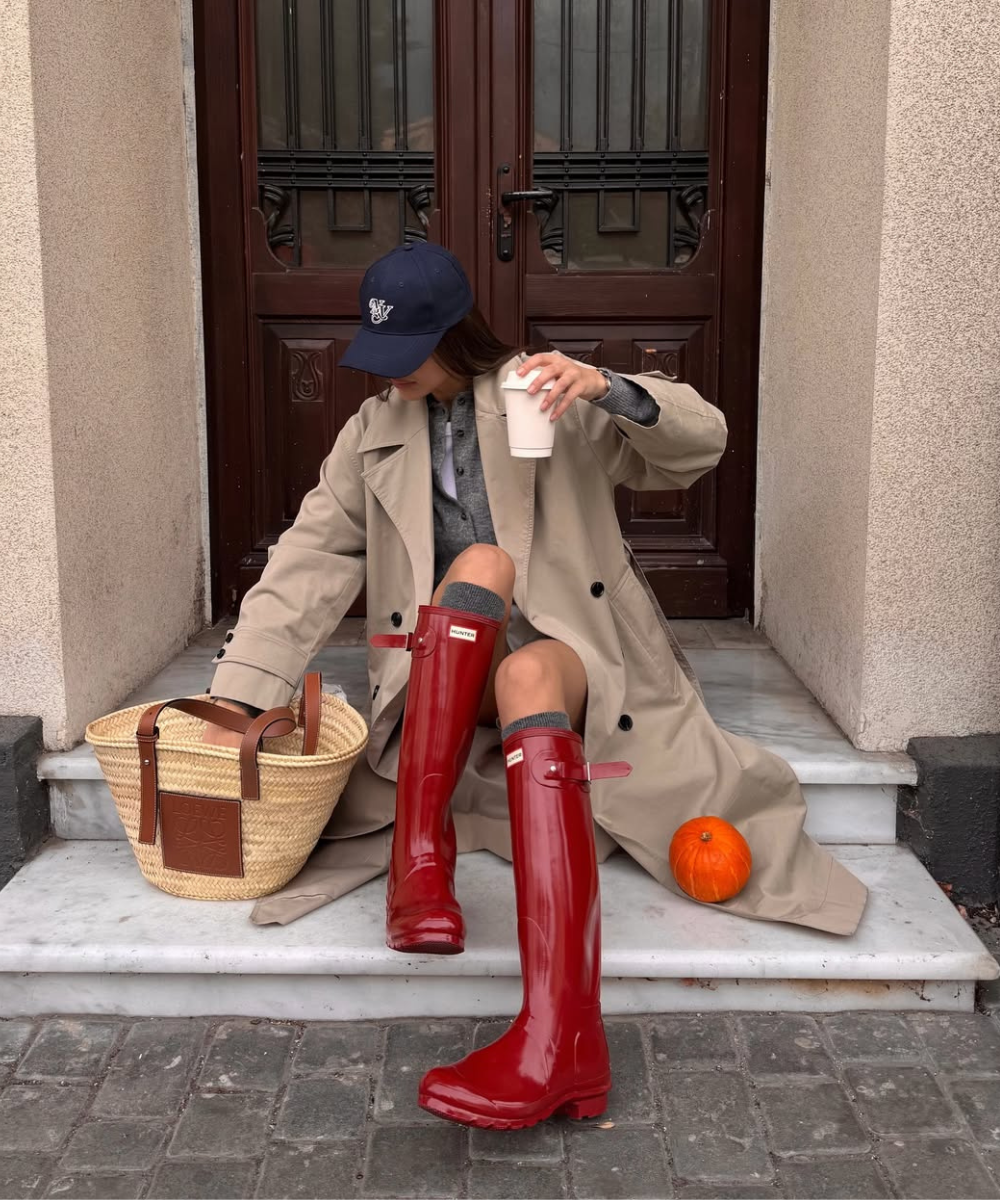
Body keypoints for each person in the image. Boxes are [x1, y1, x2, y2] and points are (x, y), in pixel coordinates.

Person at [204, 241, 867, 1130]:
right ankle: (424, 870)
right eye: (380, 358)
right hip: (446, 663)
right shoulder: (372, 432)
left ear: (455, 337)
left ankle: (558, 1036)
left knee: (524, 658)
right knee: (482, 579)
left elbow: (698, 444)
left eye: (408, 359)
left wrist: (610, 389)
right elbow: (312, 555)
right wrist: (246, 687)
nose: (391, 378)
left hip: (573, 657)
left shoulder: (544, 391)